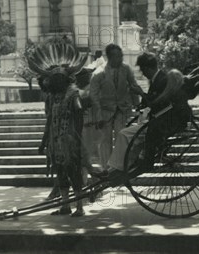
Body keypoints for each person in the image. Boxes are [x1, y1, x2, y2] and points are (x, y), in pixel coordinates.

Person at [106, 52, 191, 181]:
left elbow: (158, 104)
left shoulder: (162, 80)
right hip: (160, 119)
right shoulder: (158, 79)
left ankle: (116, 168)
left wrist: (141, 93)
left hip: (164, 122)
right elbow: (154, 102)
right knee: (130, 135)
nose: (143, 73)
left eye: (142, 70)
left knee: (124, 134)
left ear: (147, 68)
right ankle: (124, 165)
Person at [41, 68, 86, 217]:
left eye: (60, 78)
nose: (57, 81)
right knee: (60, 173)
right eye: (55, 78)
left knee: (74, 173)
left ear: (65, 79)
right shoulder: (52, 97)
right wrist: (44, 141)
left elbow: (79, 112)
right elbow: (49, 120)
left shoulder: (73, 94)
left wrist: (77, 137)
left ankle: (80, 207)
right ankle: (65, 205)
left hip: (69, 142)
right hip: (55, 142)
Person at [89, 44, 140, 170]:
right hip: (105, 111)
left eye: (121, 56)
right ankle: (106, 169)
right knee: (105, 141)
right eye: (117, 57)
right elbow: (94, 97)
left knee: (121, 137)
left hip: (122, 109)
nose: (120, 59)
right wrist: (98, 116)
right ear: (110, 57)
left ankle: (118, 167)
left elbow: (133, 86)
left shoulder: (126, 69)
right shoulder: (99, 73)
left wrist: (137, 105)